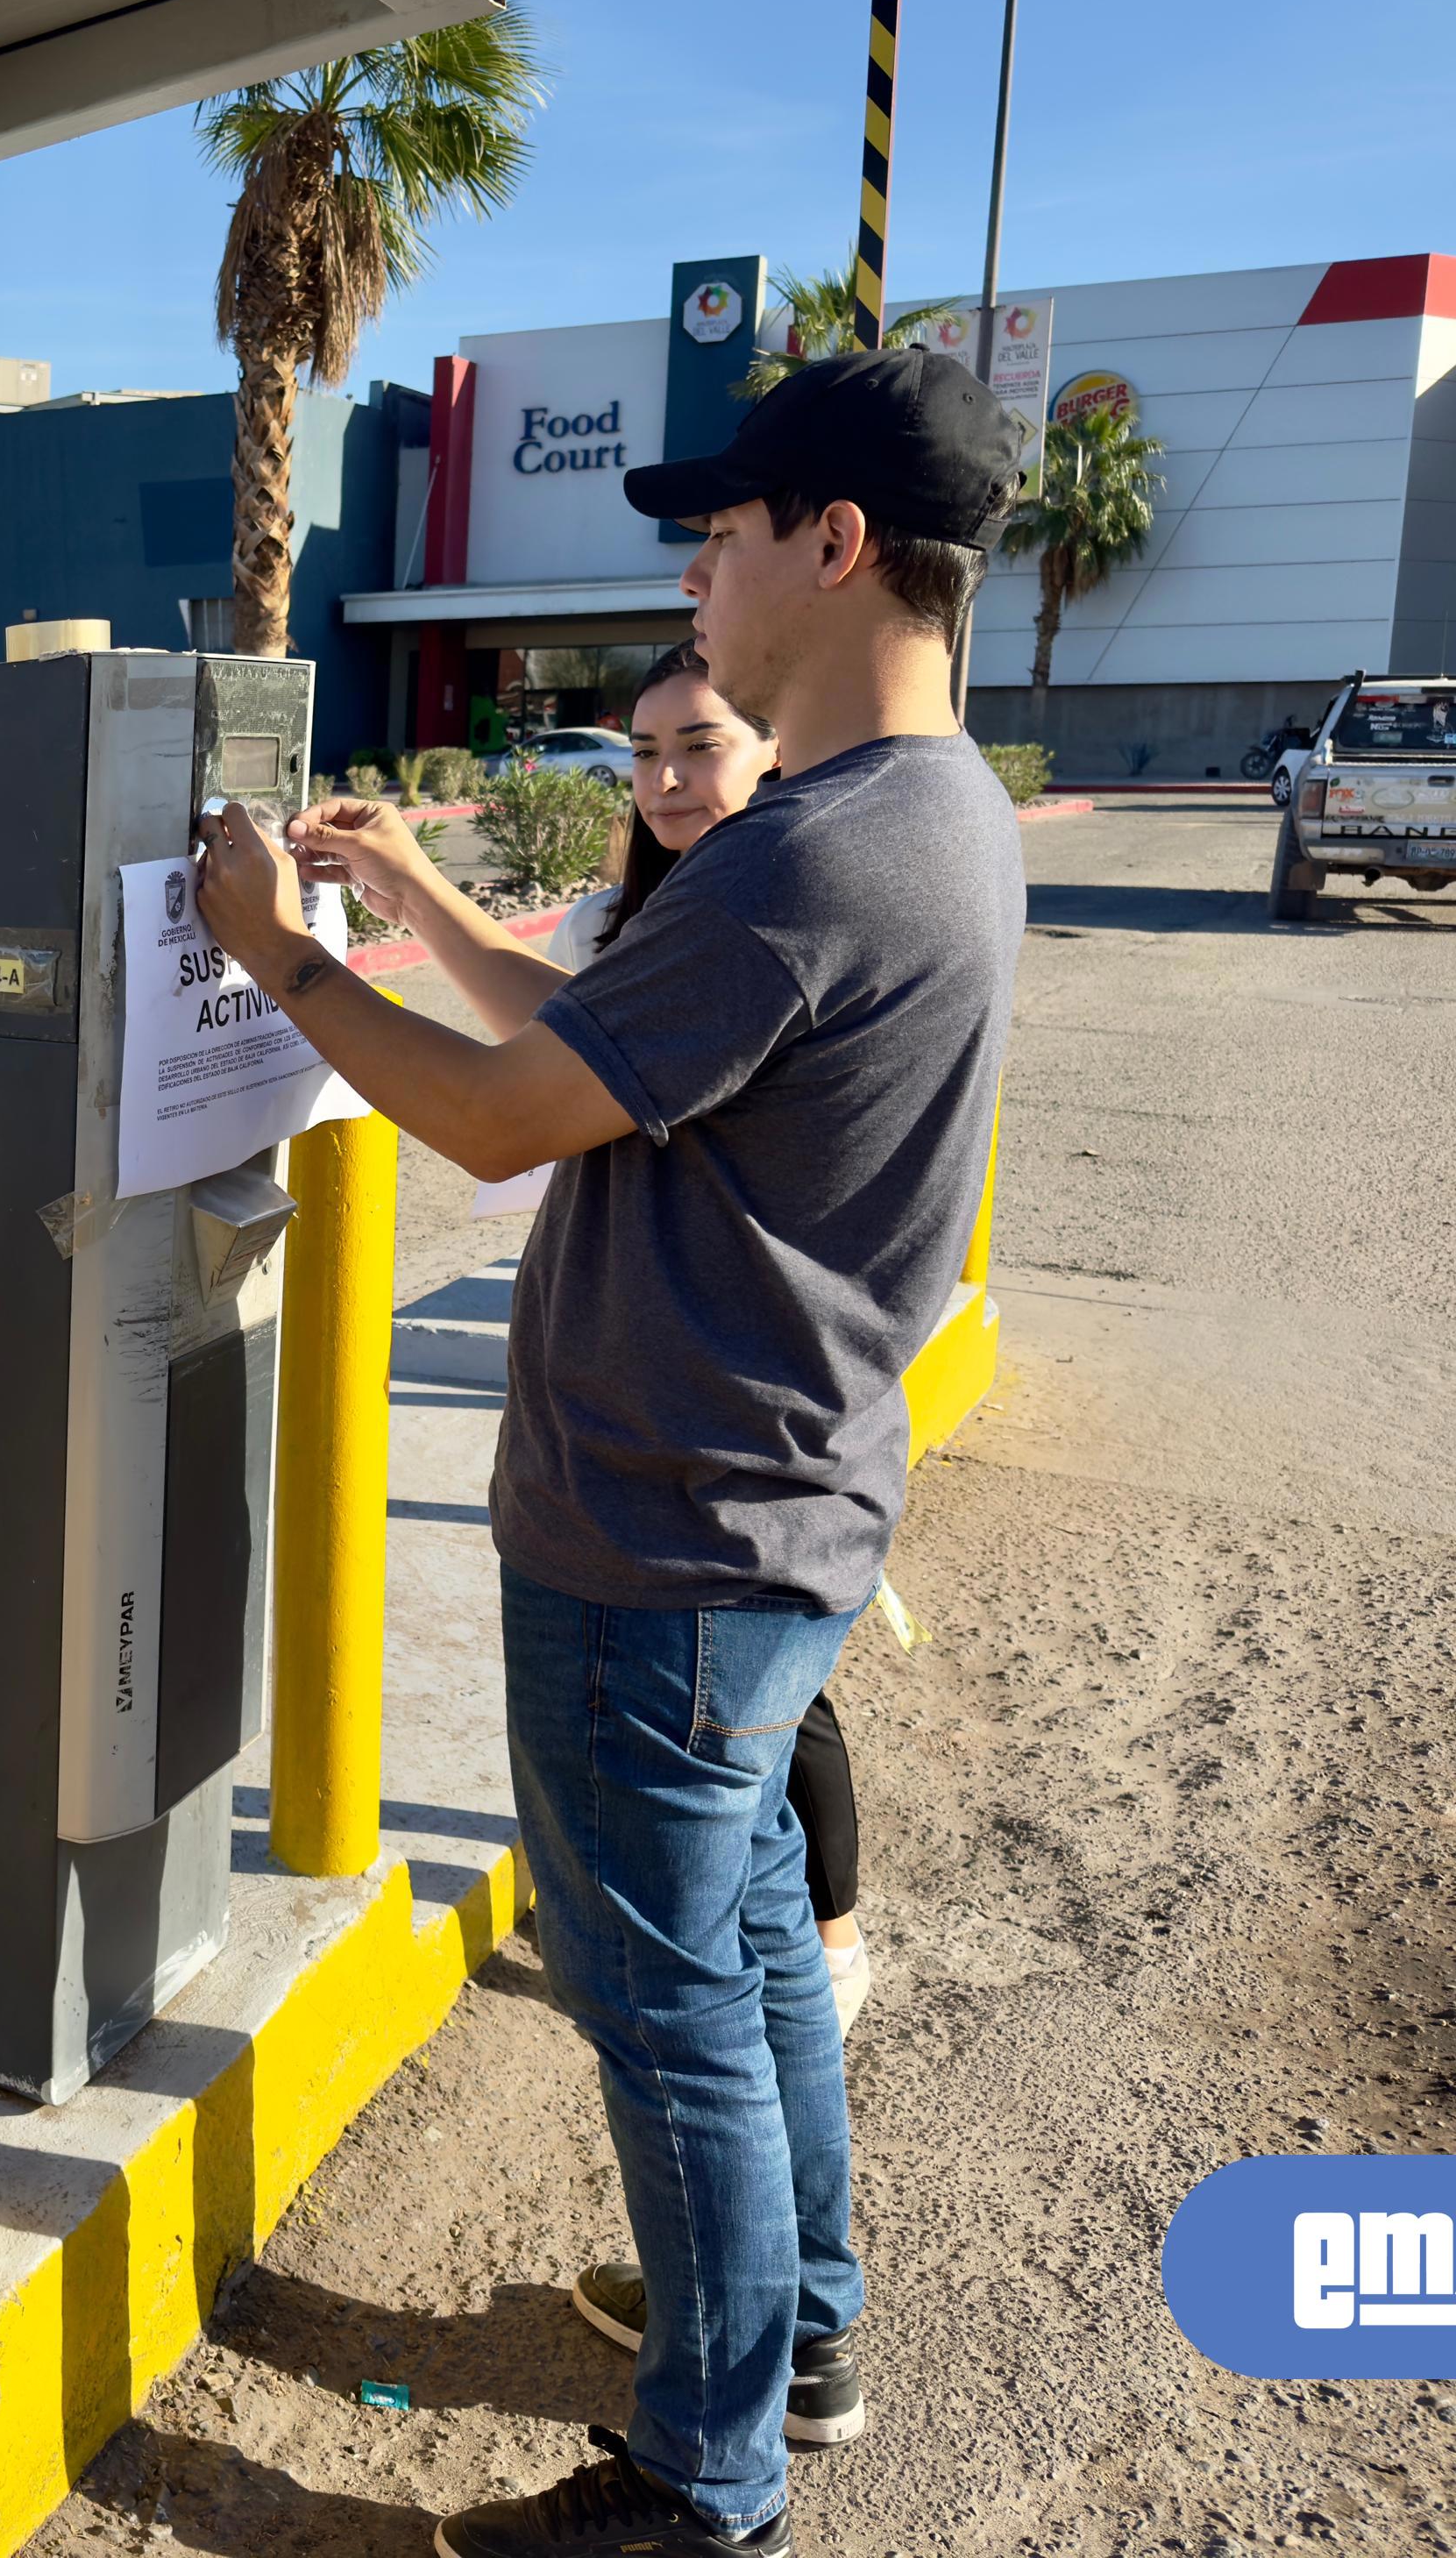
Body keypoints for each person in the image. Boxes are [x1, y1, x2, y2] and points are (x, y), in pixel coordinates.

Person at [191, 348, 1026, 2558]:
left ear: (833, 547)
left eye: (726, 529)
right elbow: (583, 1046)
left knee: (667, 2022)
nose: (696, 567)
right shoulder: (929, 818)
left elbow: (487, 1119)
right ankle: (801, 2331)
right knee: (750, 1964)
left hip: (664, 1548)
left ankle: (701, 2483)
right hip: (775, 1521)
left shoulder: (807, 856)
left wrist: (276, 955)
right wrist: (396, 921)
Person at [389, 643, 882, 2029]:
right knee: (739, 1851)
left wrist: (289, 963)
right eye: (646, 749)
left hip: (707, 1469)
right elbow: (547, 1040)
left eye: (700, 746)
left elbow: (499, 1113)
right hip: (660, 1431)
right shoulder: (632, 924)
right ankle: (795, 2047)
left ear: (769, 753)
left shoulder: (768, 916)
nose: (666, 778)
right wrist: (406, 884)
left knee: (689, 1966)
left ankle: (833, 1955)